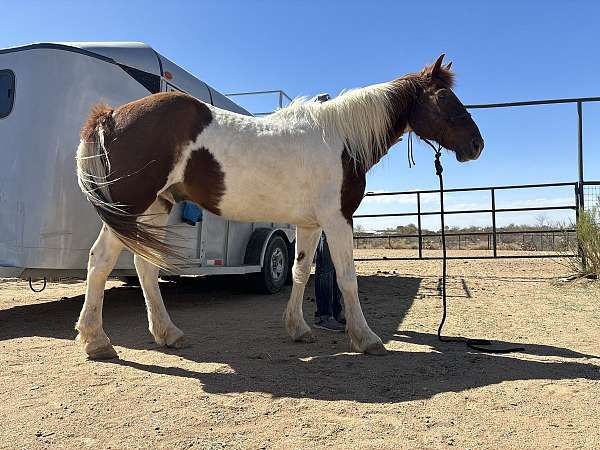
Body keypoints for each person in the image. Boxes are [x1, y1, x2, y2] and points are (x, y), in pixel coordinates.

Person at [314, 232, 346, 331]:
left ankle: (336, 311)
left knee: (337, 267)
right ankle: (324, 316)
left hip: (337, 226)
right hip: (325, 225)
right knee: (325, 267)